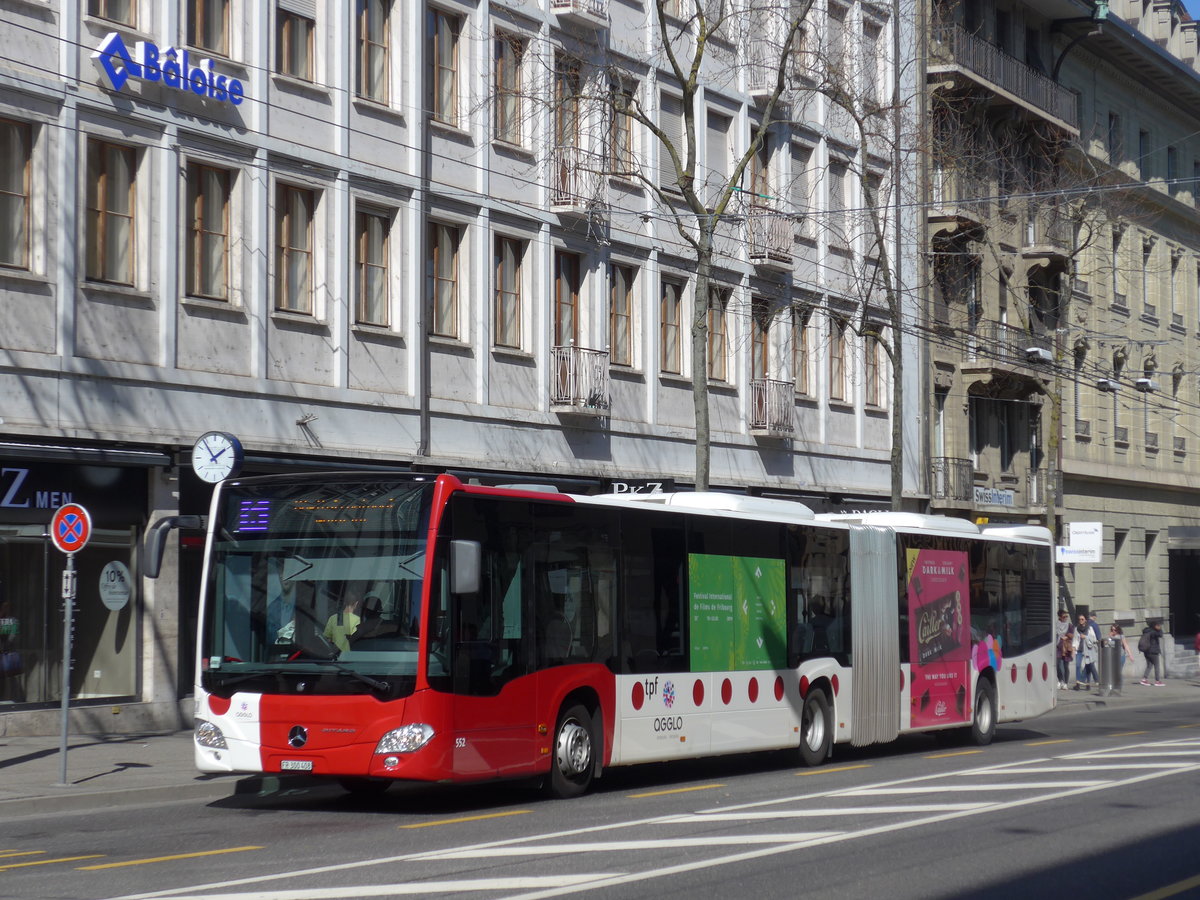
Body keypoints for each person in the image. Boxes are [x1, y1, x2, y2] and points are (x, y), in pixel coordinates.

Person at [324, 588, 364, 653]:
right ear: (356, 603)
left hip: (335, 656)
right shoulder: (357, 620)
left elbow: (328, 639)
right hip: (349, 655)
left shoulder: (333, 618)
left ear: (344, 602)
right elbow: (356, 640)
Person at [1074, 617, 1099, 690]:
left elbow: (1094, 639)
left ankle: (1088, 683)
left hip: (1088, 650)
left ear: (1085, 620)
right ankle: (1078, 683)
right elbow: (1075, 639)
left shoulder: (1089, 628)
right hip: (1079, 649)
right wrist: (1074, 648)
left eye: (1082, 619)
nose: (1080, 621)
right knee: (1078, 665)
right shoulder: (1077, 629)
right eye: (1079, 619)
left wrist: (1085, 637)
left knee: (1088, 666)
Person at [1139, 621, 1165, 686]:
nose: (1159, 626)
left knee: (1149, 665)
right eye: (1157, 625)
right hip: (1153, 651)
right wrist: (1160, 629)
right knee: (1157, 666)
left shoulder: (1147, 631)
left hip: (1146, 651)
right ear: (1154, 626)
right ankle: (1157, 681)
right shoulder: (1153, 632)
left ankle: (1144, 679)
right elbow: (1161, 635)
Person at [1055, 610, 1073, 689]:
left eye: (1066, 616)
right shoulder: (1056, 625)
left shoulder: (1069, 625)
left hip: (1066, 649)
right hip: (1058, 648)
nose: (1065, 618)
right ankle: (1060, 680)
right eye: (1064, 617)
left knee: (1066, 666)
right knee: (1058, 665)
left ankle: (1065, 682)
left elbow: (1073, 635)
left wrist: (1067, 636)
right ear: (1059, 617)